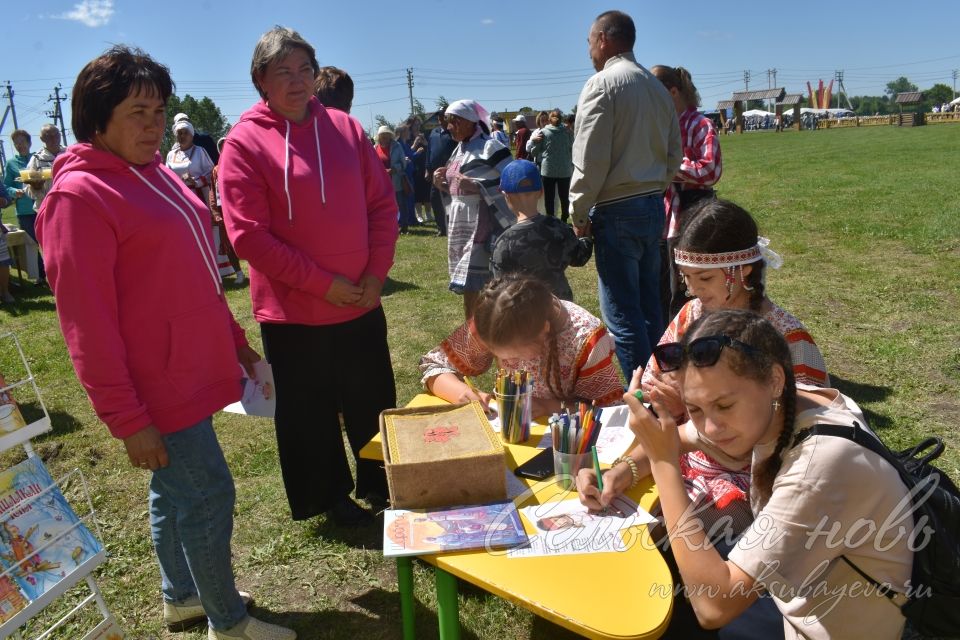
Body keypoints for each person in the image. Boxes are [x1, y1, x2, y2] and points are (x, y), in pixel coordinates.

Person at [34, 45, 295, 640]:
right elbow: (86, 326)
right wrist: (128, 420)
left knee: (173, 490)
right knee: (206, 493)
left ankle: (182, 595)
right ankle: (227, 621)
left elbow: (198, 271)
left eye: (159, 111)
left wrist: (237, 345)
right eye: (136, 112)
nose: (153, 125)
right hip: (155, 385)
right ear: (96, 120)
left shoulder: (152, 173)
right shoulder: (78, 198)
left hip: (191, 366)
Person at [580, 309, 912, 638]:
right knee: (666, 577)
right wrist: (624, 470)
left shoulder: (819, 465)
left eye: (723, 406)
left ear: (775, 380)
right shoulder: (783, 404)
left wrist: (663, 463)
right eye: (694, 409)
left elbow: (714, 608)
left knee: (669, 607)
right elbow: (680, 437)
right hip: (803, 589)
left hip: (823, 625)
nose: (710, 426)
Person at [218, 26, 398, 527]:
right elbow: (249, 237)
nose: (298, 82)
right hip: (294, 310)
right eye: (284, 72)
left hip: (361, 298)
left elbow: (382, 206)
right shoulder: (243, 143)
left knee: (372, 397)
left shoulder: (345, 128)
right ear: (261, 80)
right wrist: (323, 284)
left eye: (305, 70)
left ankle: (384, 485)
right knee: (307, 412)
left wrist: (376, 273)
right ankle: (329, 499)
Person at [635, 199, 829, 537]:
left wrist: (689, 410)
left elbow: (799, 442)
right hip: (683, 456)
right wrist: (657, 398)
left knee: (660, 536)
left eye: (705, 278)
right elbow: (654, 380)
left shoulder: (788, 339)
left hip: (756, 484)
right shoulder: (690, 317)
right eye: (686, 278)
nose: (693, 290)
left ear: (743, 271)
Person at [569, 10, 682, 380]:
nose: (588, 50)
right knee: (651, 306)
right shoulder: (656, 87)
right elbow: (674, 155)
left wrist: (579, 212)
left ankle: (644, 397)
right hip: (652, 205)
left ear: (603, 39)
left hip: (616, 209)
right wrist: (654, 185)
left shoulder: (601, 85)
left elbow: (590, 158)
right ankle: (663, 386)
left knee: (623, 315)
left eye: (589, 41)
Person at [420, 274, 623, 418]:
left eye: (514, 358)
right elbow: (434, 366)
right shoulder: (494, 322)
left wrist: (548, 406)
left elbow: (608, 410)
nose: (507, 363)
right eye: (499, 356)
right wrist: (460, 392)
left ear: (544, 331)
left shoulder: (585, 339)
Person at [650, 65, 722, 320]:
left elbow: (711, 170)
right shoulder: (661, 126)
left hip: (691, 217)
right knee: (663, 293)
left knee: (686, 291)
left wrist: (671, 163)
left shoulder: (700, 124)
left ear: (672, 92)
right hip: (663, 220)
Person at [431, 99, 513, 319]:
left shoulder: (490, 146)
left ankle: (490, 335)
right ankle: (475, 338)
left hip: (483, 224)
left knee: (487, 287)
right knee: (470, 289)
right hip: (462, 225)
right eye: (448, 122)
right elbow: (459, 186)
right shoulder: (459, 149)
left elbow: (511, 180)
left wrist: (478, 185)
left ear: (468, 121)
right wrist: (443, 183)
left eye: (453, 121)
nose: (448, 127)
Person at [491, 159, 591, 301]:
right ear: (541, 192)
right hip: (560, 307)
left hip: (525, 312)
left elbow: (499, 289)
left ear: (505, 195)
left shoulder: (503, 242)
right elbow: (579, 257)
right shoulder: (557, 227)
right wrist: (585, 238)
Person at [166, 117, 236, 281]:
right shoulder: (171, 155)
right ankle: (194, 270)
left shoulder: (199, 151)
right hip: (181, 199)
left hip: (201, 197)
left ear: (191, 134)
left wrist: (196, 181)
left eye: (185, 133)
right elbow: (167, 175)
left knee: (210, 232)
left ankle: (217, 271)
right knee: (187, 233)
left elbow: (211, 172)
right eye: (179, 133)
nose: (182, 136)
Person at [22, 124, 64, 285]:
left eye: (56, 134)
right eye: (48, 136)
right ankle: (55, 280)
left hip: (70, 209)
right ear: (42, 139)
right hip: (47, 209)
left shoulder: (69, 153)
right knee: (50, 248)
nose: (53, 138)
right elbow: (27, 188)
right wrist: (36, 187)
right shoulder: (37, 159)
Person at [208, 138, 245, 284]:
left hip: (239, 210)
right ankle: (239, 273)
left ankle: (258, 270)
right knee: (227, 243)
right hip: (223, 210)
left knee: (245, 240)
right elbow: (212, 191)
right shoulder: (216, 170)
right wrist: (215, 212)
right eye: (222, 148)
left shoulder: (240, 166)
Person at [528, 109, 574, 222]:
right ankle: (564, 220)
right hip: (565, 170)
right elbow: (572, 149)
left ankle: (550, 221)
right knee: (564, 198)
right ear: (561, 119)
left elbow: (534, 153)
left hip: (548, 170)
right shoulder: (567, 132)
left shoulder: (543, 132)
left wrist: (534, 142)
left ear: (549, 120)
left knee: (549, 198)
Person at [3, 130, 37, 257]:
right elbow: (6, 185)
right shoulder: (11, 163)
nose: (20, 145)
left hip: (42, 207)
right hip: (24, 210)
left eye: (22, 141)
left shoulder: (37, 158)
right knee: (31, 243)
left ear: (29, 143)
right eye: (16, 143)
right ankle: (40, 273)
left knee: (47, 240)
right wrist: (14, 191)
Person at [375, 125, 412, 233]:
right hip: (382, 182)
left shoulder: (397, 146)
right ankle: (390, 226)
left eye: (386, 134)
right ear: (379, 136)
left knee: (400, 203)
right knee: (385, 205)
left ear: (390, 135)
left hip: (396, 180)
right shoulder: (375, 147)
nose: (384, 137)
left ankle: (403, 226)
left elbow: (403, 163)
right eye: (382, 135)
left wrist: (394, 169)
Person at [426, 114, 456, 237]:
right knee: (434, 199)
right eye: (438, 117)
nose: (440, 119)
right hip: (435, 172)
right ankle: (441, 228)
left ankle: (451, 227)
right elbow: (429, 151)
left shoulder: (453, 132)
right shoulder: (434, 132)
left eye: (443, 116)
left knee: (450, 201)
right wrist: (427, 169)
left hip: (449, 171)